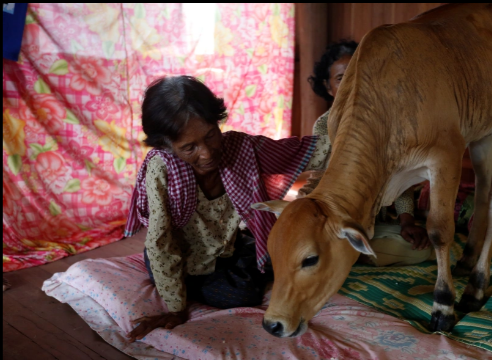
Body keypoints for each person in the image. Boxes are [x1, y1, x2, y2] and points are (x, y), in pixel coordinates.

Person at [124, 76, 329, 341]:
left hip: (225, 249)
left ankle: (220, 272)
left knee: (276, 257)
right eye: (189, 147)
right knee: (240, 294)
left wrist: (358, 138)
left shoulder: (240, 148)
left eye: (210, 135)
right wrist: (175, 308)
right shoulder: (161, 170)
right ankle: (182, 284)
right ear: (166, 145)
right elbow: (161, 243)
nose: (207, 153)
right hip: (178, 256)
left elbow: (305, 151)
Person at [299, 40, 431, 264]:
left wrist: (407, 222)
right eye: (341, 78)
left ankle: (345, 254)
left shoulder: (386, 126)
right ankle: (345, 250)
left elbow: (399, 178)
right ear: (329, 86)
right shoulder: (324, 126)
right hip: (335, 215)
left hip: (374, 222)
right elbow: (319, 178)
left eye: (359, 74)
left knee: (421, 249)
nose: (353, 83)